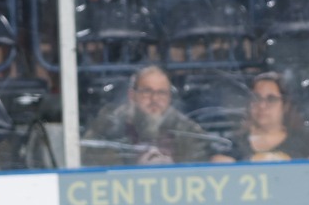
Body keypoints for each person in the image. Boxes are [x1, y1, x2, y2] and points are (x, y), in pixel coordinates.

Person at [82, 65, 218, 165]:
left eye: (161, 93)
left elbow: (201, 160)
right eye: (147, 91)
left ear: (169, 97)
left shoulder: (185, 128)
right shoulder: (109, 126)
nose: (154, 99)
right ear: (132, 95)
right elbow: (93, 163)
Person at [220, 72, 309, 162]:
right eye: (256, 98)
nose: (262, 105)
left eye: (271, 99)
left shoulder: (306, 145)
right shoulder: (234, 145)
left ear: (285, 105)